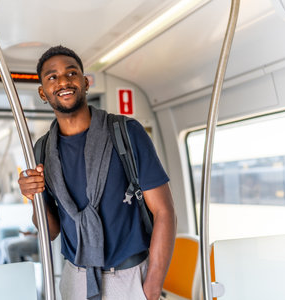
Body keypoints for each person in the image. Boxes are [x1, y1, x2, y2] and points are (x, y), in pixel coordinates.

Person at [18, 45, 176, 300]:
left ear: (85, 82)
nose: (63, 82)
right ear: (43, 92)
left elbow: (164, 212)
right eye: (52, 77)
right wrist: (32, 197)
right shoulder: (43, 150)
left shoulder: (127, 132)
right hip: (75, 278)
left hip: (130, 275)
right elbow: (50, 231)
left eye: (71, 73)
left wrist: (152, 287)